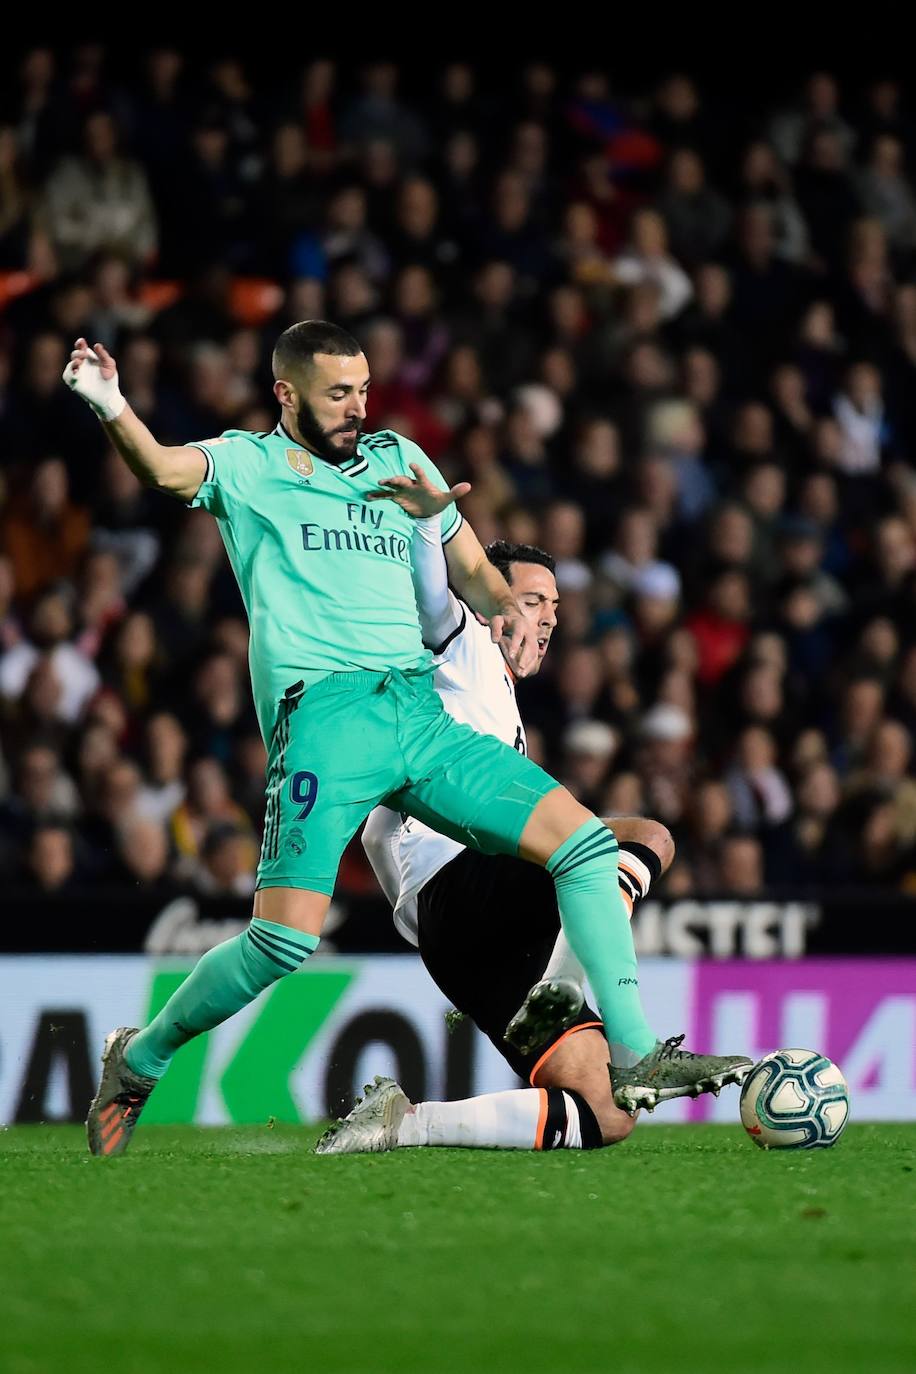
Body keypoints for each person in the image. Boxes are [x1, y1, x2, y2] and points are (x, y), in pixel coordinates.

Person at [63, 320, 748, 1157]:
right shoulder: (250, 464)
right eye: (337, 393)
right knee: (281, 940)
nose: (357, 407)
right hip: (323, 723)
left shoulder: (400, 458)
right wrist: (109, 404)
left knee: (585, 845)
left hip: (417, 715)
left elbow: (474, 573)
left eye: (362, 389)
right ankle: (142, 1055)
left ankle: (639, 1052)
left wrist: (493, 592)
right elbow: (165, 469)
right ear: (286, 394)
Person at [320, 537, 686, 1156]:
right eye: (531, 599)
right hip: (462, 877)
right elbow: (431, 579)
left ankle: (403, 1123)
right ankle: (602, 1019)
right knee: (625, 842)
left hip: (458, 930)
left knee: (605, 1115)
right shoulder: (458, 641)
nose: (547, 617)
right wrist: (433, 512)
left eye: (555, 605)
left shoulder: (497, 700)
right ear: (488, 597)